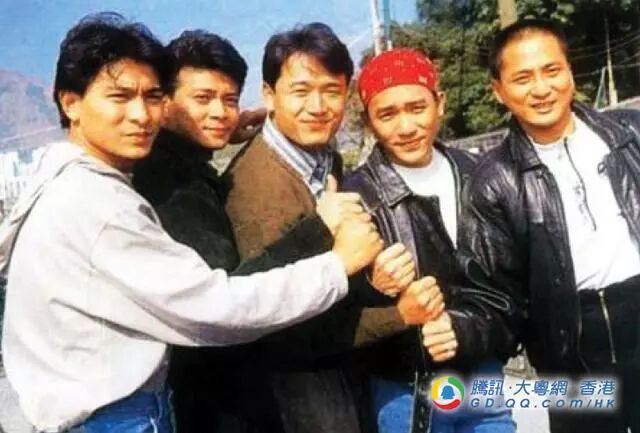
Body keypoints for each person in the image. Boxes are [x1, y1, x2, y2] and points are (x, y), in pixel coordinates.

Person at [0, 13, 383, 433]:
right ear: (70, 102)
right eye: (120, 97)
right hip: (118, 418)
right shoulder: (107, 203)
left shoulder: (72, 178)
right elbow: (217, 307)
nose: (140, 114)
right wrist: (333, 259)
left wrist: (209, 131)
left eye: (151, 97)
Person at [132, 29, 366, 432]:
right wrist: (320, 231)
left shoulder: (187, 166)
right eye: (203, 99)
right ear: (164, 102)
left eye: (230, 100)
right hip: (223, 401)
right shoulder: (172, 186)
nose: (221, 113)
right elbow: (229, 299)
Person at [224, 22, 429, 433]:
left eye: (331, 91)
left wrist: (375, 281)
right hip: (300, 392)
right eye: (300, 91)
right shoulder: (257, 187)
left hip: (342, 374)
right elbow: (282, 327)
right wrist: (398, 314)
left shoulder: (322, 156)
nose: (317, 106)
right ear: (270, 95)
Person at [460, 18, 640, 432]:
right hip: (570, 352)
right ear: (498, 91)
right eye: (522, 78)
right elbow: (495, 294)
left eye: (551, 70)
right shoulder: (493, 182)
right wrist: (459, 328)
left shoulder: (630, 134)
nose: (541, 89)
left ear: (570, 71)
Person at [343, 48, 515, 433]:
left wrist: (467, 330)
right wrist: (374, 288)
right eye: (387, 114)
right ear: (369, 122)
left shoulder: (480, 175)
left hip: (482, 374)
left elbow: (512, 282)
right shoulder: (355, 196)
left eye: (417, 107)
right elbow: (340, 312)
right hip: (403, 391)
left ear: (440, 104)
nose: (406, 127)